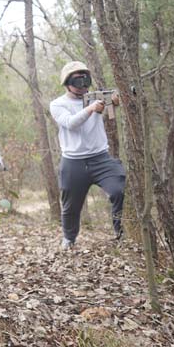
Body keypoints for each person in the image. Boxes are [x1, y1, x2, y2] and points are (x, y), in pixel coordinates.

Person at [49, 61, 125, 249]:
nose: (83, 85)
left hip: (101, 158)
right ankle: (69, 239)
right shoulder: (58, 104)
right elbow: (71, 123)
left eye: (85, 80)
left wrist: (114, 103)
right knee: (70, 206)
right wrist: (91, 109)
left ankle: (121, 233)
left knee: (119, 190)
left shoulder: (95, 97)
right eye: (77, 80)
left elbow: (113, 108)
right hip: (73, 162)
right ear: (67, 83)